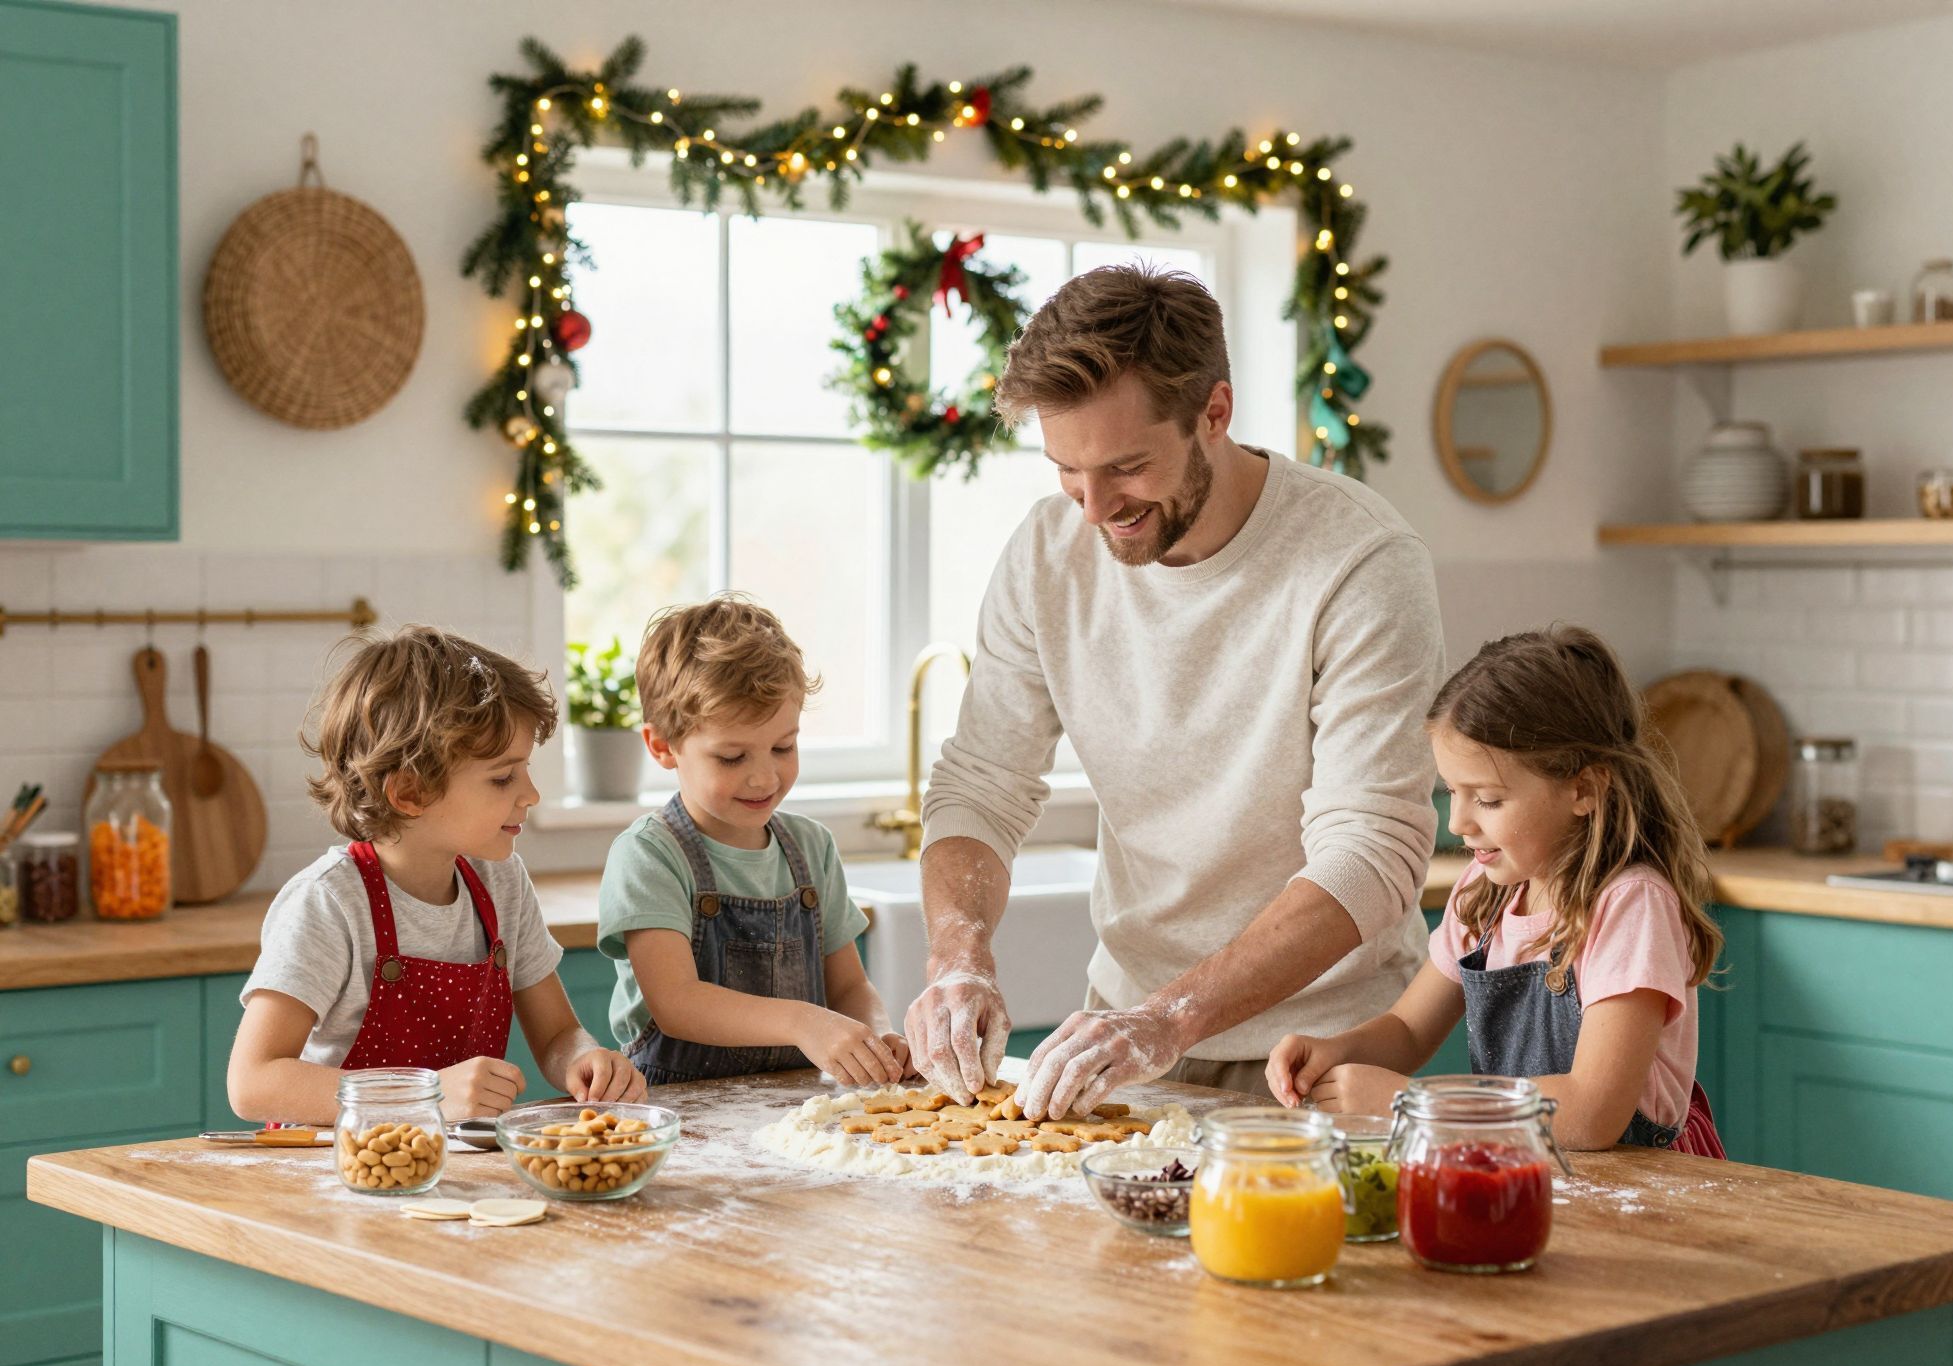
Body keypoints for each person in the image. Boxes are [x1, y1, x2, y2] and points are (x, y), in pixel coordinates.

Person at [905, 264, 1444, 1120]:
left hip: (1327, 1059)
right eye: (1066, 472)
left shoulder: (1360, 562)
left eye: (1126, 468)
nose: (1093, 509)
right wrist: (956, 957)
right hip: (1132, 1052)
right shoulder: (1049, 555)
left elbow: (1370, 853)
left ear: (1214, 413)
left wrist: (1168, 1017)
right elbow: (981, 786)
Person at [1266, 626, 1727, 1155]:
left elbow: (1591, 1112)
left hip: (1649, 1188)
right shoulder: (1486, 894)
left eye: (1486, 799)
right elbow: (1409, 1030)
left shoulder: (1630, 906)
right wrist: (1334, 1051)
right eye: (1452, 793)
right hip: (1530, 1171)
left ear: (1582, 789)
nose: (1458, 822)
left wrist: (1414, 1103)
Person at [229, 626, 644, 1125]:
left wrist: (583, 1059)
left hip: (449, 1168)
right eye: (502, 777)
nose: (530, 793)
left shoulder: (501, 882)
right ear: (409, 792)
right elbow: (253, 1082)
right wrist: (424, 1095)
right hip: (338, 1175)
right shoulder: (329, 903)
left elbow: (556, 1034)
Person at [598, 595, 905, 1087]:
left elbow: (848, 985)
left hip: (799, 1109)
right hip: (683, 1112)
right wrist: (804, 1021)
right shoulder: (649, 856)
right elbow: (677, 1003)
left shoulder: (811, 848)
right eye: (732, 757)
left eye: (783, 746)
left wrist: (877, 1037)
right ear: (662, 747)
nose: (764, 777)